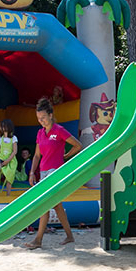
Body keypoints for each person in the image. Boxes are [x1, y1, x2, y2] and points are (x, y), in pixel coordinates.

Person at [23, 98, 82, 249]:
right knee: (56, 205)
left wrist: (65, 156)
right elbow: (37, 156)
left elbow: (78, 145)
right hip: (43, 171)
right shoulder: (40, 133)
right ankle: (69, 236)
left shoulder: (59, 130)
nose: (41, 121)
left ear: (50, 115)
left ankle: (38, 240)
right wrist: (31, 173)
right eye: (38, 118)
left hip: (55, 171)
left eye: (43, 117)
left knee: (44, 204)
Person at [0, 119, 18, 196]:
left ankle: (8, 194)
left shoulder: (13, 138)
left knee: (9, 178)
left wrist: (8, 160)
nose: (2, 128)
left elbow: (15, 151)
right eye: (2, 126)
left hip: (10, 160)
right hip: (1, 159)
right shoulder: (0, 138)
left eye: (4, 126)